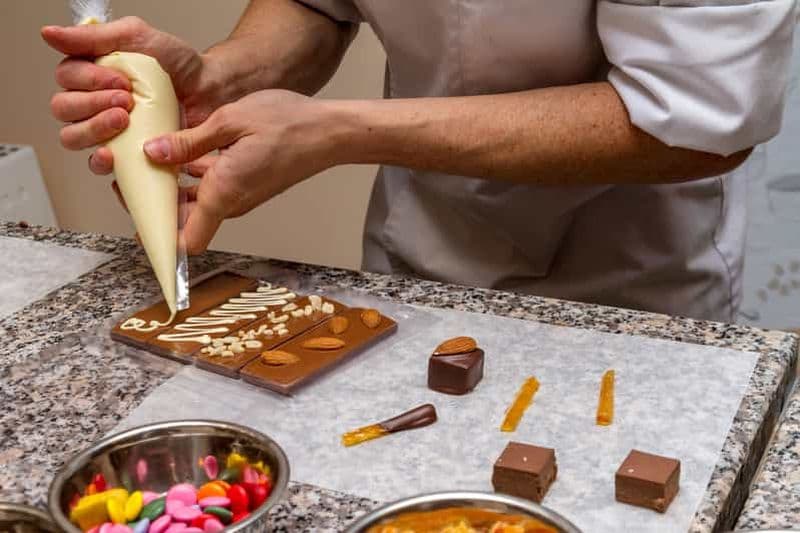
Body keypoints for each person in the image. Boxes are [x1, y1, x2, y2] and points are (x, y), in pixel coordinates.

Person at [42, 0, 797, 322]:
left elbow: (697, 118)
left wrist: (337, 131)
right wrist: (220, 80)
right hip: (418, 254)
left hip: (633, 279)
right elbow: (317, 5)